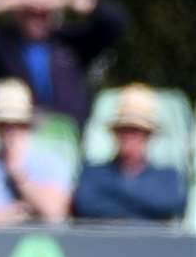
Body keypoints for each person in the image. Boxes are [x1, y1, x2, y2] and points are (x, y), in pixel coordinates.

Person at [0, 0, 126, 127]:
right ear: (17, 13)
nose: (37, 18)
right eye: (29, 12)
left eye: (44, 13)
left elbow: (116, 23)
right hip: (18, 135)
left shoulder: (71, 43)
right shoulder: (0, 45)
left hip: (70, 138)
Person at [72, 84, 187, 222]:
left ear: (148, 136)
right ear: (115, 133)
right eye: (124, 129)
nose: (129, 136)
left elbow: (171, 205)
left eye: (136, 131)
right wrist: (145, 211)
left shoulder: (167, 177)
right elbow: (86, 204)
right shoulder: (93, 174)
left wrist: (112, 195)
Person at [0, 78, 74, 225]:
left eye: (18, 124)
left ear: (29, 124)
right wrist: (7, 215)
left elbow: (54, 212)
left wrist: (20, 176)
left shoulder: (53, 161)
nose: (10, 131)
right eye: (2, 124)